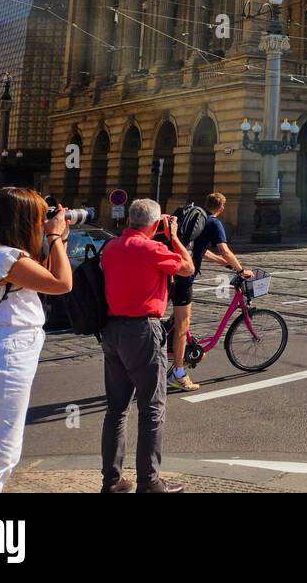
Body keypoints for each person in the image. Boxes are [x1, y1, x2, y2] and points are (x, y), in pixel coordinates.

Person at [0, 188, 73, 492]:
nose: (43, 223)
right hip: (3, 359)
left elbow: (45, 276)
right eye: (39, 217)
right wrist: (55, 238)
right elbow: (62, 283)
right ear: (21, 220)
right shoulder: (5, 256)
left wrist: (59, 239)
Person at [100, 198, 194, 494]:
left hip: (112, 330)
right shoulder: (153, 249)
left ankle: (112, 481)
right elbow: (188, 268)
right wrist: (175, 236)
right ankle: (149, 481)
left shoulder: (111, 247)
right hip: (143, 330)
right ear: (155, 224)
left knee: (116, 410)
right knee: (152, 408)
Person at [168, 193, 251, 393]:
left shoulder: (199, 219)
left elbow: (201, 249)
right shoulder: (214, 223)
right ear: (221, 208)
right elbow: (225, 249)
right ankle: (178, 373)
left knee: (179, 319)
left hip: (174, 273)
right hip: (184, 277)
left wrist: (221, 263)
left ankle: (172, 351)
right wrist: (241, 270)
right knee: (182, 324)